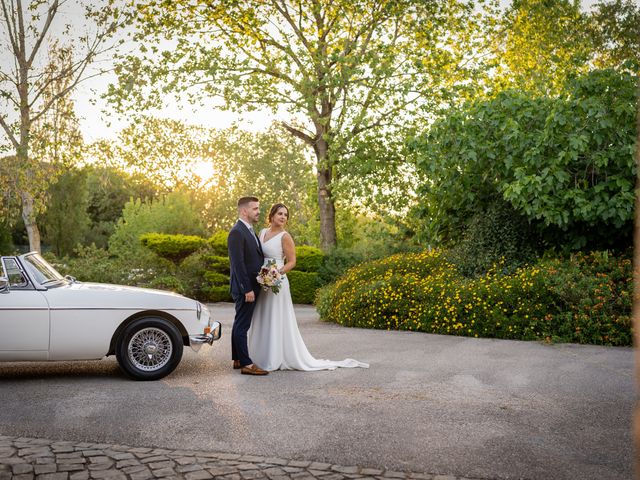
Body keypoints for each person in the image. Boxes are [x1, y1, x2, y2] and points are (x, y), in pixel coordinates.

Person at [248, 203, 369, 371]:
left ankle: (275, 357)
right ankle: (259, 356)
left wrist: (276, 274)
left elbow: (292, 261)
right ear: (272, 215)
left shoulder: (285, 236)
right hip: (263, 282)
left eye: (286, 215)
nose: (283, 217)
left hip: (278, 281)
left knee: (276, 317)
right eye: (280, 213)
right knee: (263, 316)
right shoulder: (261, 233)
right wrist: (263, 276)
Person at [228, 196, 269, 376]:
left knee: (239, 322)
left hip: (251, 286)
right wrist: (247, 289)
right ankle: (246, 364)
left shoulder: (250, 230)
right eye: (255, 208)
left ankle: (237, 359)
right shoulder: (237, 232)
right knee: (243, 325)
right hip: (245, 288)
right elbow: (238, 264)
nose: (258, 211)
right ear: (244, 211)